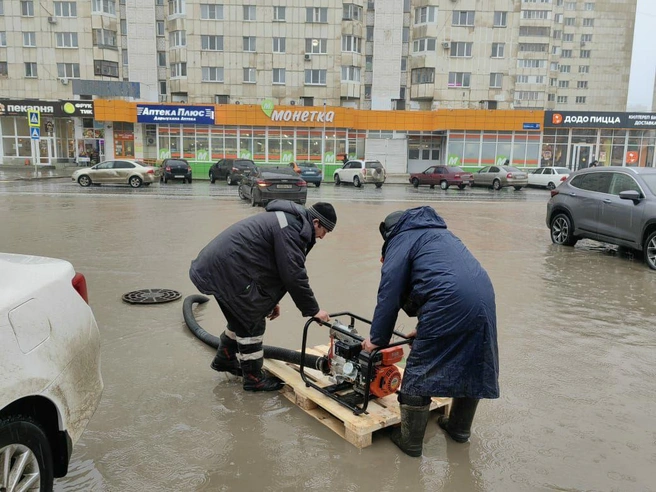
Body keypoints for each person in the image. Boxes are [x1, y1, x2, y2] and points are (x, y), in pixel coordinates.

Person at [362, 207, 499, 457]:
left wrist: (376, 341)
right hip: (484, 299)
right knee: (472, 363)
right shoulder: (442, 235)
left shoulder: (401, 239)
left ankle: (409, 441)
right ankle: (459, 430)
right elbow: (440, 280)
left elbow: (389, 293)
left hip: (448, 302)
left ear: (389, 233)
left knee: (419, 369)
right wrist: (421, 329)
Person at [189, 200, 336, 392]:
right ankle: (253, 379)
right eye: (324, 231)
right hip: (226, 269)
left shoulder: (291, 223)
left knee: (241, 316)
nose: (323, 237)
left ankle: (224, 359)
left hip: (221, 267)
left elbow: (272, 269)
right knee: (252, 321)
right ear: (316, 222)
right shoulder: (291, 229)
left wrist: (272, 301)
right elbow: (294, 275)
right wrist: (313, 310)